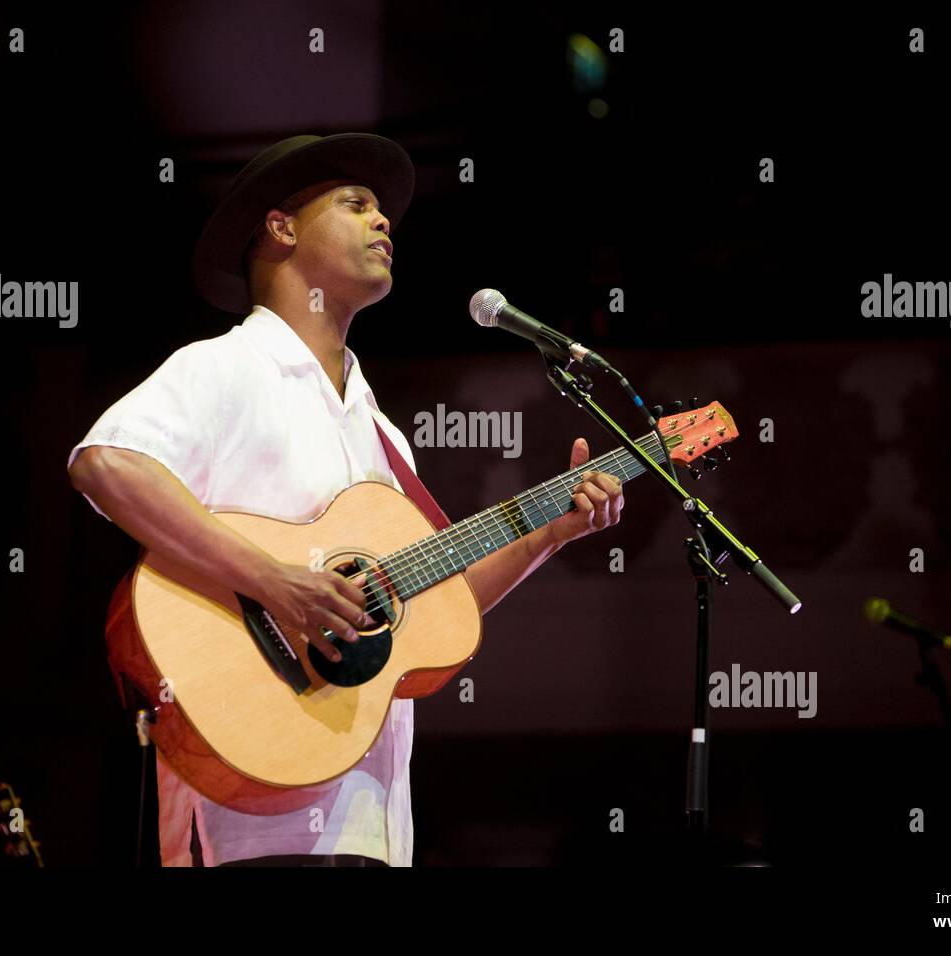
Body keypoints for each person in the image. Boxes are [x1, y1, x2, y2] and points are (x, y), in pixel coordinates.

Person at [66, 133, 625, 866]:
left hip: (368, 813)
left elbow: (428, 610)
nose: (384, 220)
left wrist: (548, 534)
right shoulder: (227, 367)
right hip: (251, 807)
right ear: (282, 227)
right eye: (357, 204)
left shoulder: (382, 430)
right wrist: (275, 583)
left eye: (382, 210)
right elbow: (107, 464)